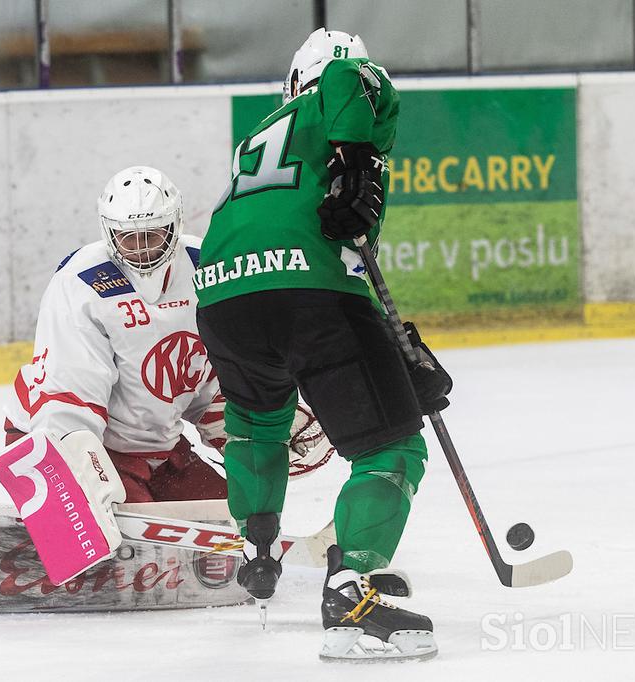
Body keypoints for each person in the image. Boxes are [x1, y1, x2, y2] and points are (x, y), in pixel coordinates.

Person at [0, 166, 330, 618]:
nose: (143, 248)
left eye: (154, 234)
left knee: (232, 517)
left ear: (176, 223)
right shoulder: (82, 284)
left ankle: (117, 510)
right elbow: (66, 400)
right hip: (63, 440)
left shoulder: (206, 267)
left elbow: (214, 376)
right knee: (120, 542)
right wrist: (83, 483)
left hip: (158, 449)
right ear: (110, 234)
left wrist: (255, 429)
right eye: (130, 238)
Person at [195, 29, 450, 661]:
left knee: (256, 423)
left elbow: (306, 234)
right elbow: (350, 77)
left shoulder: (258, 136)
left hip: (223, 294)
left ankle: (256, 552)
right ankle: (351, 587)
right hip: (307, 291)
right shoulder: (342, 100)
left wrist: (391, 346)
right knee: (391, 446)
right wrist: (361, 162)